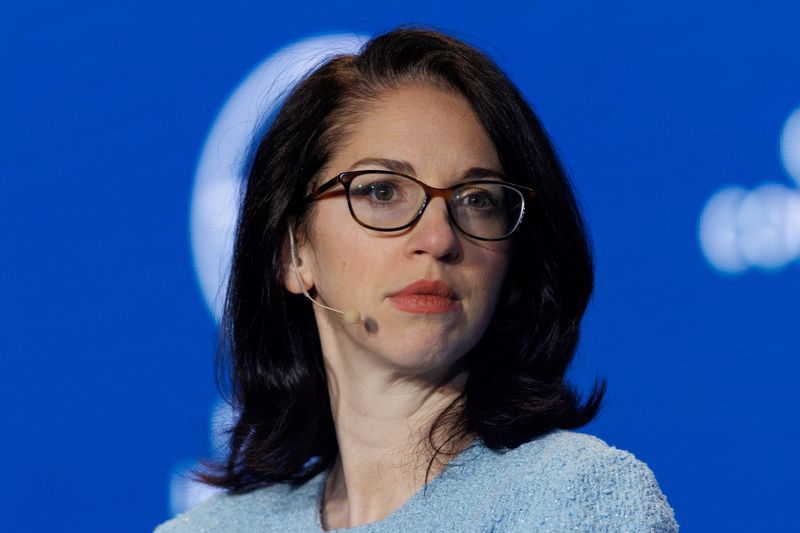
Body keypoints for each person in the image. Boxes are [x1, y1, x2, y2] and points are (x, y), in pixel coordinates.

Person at [156, 26, 677, 532]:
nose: (439, 238)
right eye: (382, 192)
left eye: (477, 201)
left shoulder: (577, 502)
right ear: (294, 252)